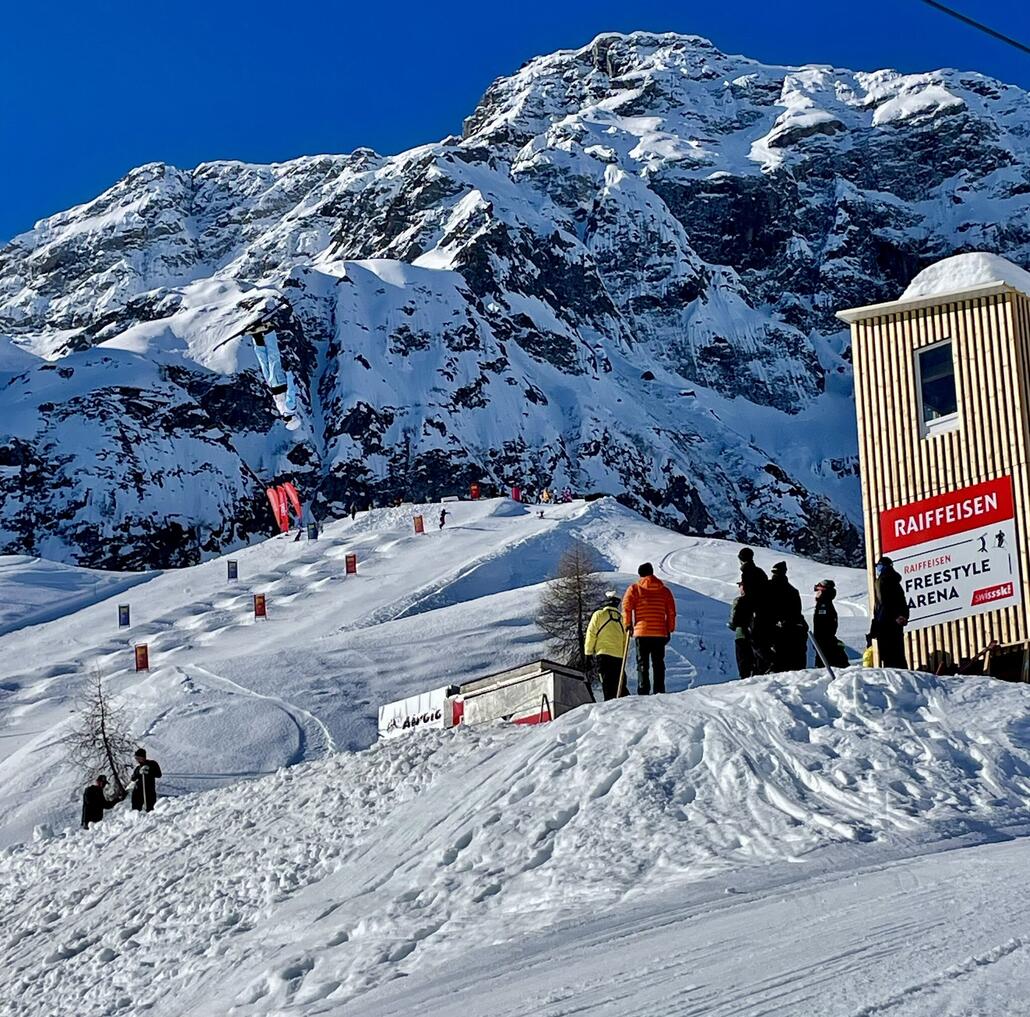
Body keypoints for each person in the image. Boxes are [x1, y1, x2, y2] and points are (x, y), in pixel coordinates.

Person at [622, 563, 676, 694]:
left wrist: (627, 624)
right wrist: (670, 629)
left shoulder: (634, 589)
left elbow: (626, 608)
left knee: (642, 664)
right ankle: (659, 690)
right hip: (659, 632)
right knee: (658, 663)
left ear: (640, 574)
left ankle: (643, 690)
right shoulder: (665, 591)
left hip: (641, 632)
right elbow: (671, 612)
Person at [585, 591, 628, 700]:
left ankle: (609, 705)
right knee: (620, 685)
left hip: (603, 655)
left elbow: (591, 634)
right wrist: (623, 657)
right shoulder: (622, 619)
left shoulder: (599, 615)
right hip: (619, 657)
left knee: (607, 684)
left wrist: (588, 653)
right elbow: (625, 640)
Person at [869, 556, 909, 667]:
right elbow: (902, 601)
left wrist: (877, 623)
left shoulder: (882, 580)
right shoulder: (895, 580)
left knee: (888, 656)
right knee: (898, 654)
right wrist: (903, 616)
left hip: (885, 623)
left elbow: (883, 603)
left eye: (878, 566)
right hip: (897, 622)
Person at [738, 548, 773, 674]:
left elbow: (749, 596)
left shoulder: (747, 572)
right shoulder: (759, 572)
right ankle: (762, 668)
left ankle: (768, 663)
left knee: (756, 641)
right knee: (760, 641)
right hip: (765, 611)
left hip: (756, 612)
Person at [768, 561, 807, 670]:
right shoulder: (793, 591)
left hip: (774, 630)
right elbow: (797, 612)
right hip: (791, 630)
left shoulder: (767, 587)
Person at [811, 580, 849, 668]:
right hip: (825, 643)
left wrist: (820, 641)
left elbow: (823, 627)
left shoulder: (823, 605)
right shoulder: (825, 604)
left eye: (818, 591)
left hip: (825, 645)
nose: (816, 594)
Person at [727, 583, 754, 679]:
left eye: (740, 585)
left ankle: (745, 680)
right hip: (757, 635)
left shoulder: (739, 601)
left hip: (741, 634)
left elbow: (733, 621)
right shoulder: (759, 600)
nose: (739, 588)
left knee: (743, 660)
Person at [130, 748, 162, 813]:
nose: (137, 760)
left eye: (138, 758)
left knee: (150, 809)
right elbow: (133, 778)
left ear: (143, 757)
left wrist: (149, 771)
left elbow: (159, 774)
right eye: (136, 758)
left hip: (149, 791)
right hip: (138, 791)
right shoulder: (138, 768)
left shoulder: (152, 764)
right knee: (136, 809)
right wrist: (138, 772)